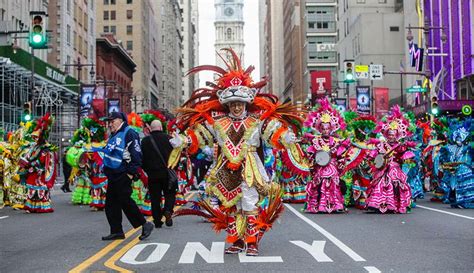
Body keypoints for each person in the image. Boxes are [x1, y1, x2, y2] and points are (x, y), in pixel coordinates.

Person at [169, 48, 308, 256]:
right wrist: (184, 140)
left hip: (250, 167)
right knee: (230, 206)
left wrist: (284, 137)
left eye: (239, 103)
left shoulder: (256, 119)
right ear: (228, 104)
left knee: (249, 203)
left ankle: (252, 242)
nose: (236, 107)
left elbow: (271, 131)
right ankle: (236, 240)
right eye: (233, 104)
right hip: (226, 168)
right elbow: (201, 135)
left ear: (246, 103)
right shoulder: (218, 121)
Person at [100, 112, 153, 241]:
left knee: (125, 201)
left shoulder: (129, 132)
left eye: (112, 121)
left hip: (123, 173)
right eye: (109, 122)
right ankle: (116, 231)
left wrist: (131, 173)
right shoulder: (115, 134)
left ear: (120, 120)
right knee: (111, 204)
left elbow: (136, 154)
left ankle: (145, 224)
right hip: (113, 173)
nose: (110, 124)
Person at [141, 119, 175, 228]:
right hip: (167, 173)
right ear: (161, 128)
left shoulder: (145, 141)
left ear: (151, 128)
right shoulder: (169, 139)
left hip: (152, 174)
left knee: (155, 197)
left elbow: (142, 158)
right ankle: (168, 210)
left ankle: (157, 220)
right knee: (169, 193)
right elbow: (175, 155)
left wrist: (146, 170)